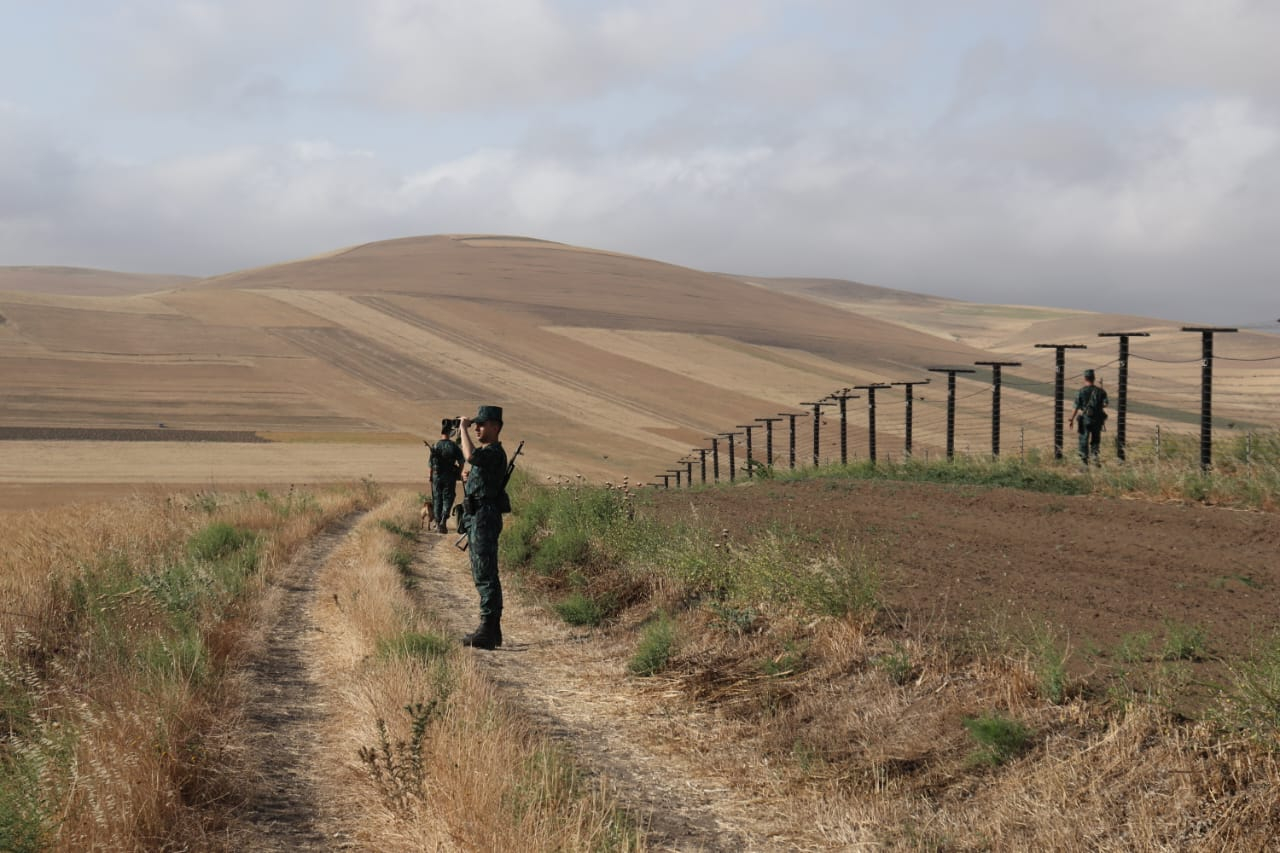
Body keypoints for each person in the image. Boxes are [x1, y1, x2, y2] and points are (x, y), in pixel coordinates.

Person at [457, 405, 508, 649]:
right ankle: (492, 630)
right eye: (475, 424)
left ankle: (488, 629)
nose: (477, 428)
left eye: (481, 424)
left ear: (495, 427)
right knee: (482, 570)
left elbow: (471, 456)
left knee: (485, 572)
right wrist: (470, 479)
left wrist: (462, 429)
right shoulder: (489, 453)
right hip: (479, 514)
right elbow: (477, 467)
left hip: (485, 517)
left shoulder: (495, 452)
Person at [427, 419, 465, 533]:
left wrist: (430, 477)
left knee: (437, 498)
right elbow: (462, 462)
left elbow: (431, 464)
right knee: (448, 498)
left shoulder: (435, 445)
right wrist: (458, 472)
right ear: (450, 433)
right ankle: (443, 520)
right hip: (449, 476)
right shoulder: (453, 446)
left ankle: (438, 523)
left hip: (436, 476)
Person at [1069, 369, 1109, 466]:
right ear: (1094, 378)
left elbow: (1076, 407)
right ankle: (1095, 458)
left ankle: (1084, 463)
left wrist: (1071, 419)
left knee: (1083, 440)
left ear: (1085, 378)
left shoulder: (1081, 392)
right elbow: (1105, 404)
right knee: (1095, 440)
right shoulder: (1101, 391)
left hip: (1085, 420)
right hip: (1097, 419)